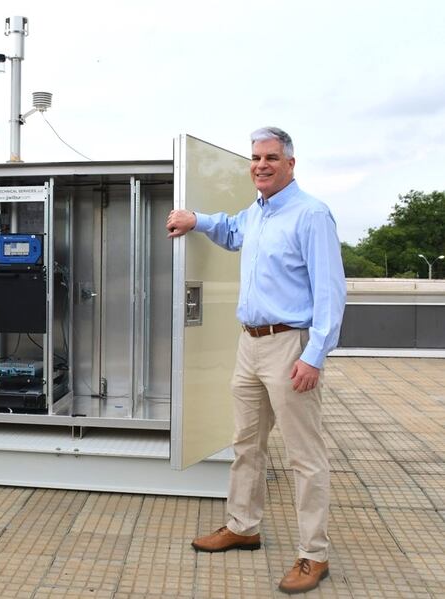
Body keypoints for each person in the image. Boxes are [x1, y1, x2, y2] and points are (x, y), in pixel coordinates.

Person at [166, 127, 346, 594]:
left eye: (271, 157)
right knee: (246, 443)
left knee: (305, 456)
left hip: (290, 346)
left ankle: (314, 555)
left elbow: (331, 293)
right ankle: (243, 526)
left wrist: (314, 355)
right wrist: (195, 219)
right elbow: (230, 230)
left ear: (290, 164)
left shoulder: (311, 214)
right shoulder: (257, 212)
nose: (261, 165)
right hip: (249, 344)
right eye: (256, 157)